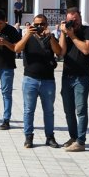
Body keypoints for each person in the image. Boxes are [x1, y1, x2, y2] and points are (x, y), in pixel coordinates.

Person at [14, 14, 62, 148]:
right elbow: (17, 49)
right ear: (31, 25)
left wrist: (51, 37)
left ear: (47, 25)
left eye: (42, 24)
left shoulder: (51, 37)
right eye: (37, 24)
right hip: (30, 79)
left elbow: (59, 52)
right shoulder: (28, 37)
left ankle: (50, 137)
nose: (40, 27)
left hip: (48, 80)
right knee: (29, 110)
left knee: (49, 110)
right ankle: (28, 137)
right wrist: (28, 35)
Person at [58, 7, 89, 152]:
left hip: (82, 76)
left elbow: (86, 49)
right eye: (70, 21)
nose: (73, 23)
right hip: (67, 76)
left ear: (80, 18)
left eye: (75, 20)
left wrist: (72, 35)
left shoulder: (88, 31)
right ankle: (73, 137)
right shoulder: (67, 33)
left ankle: (81, 141)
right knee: (68, 110)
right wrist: (63, 34)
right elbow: (61, 52)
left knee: (81, 110)